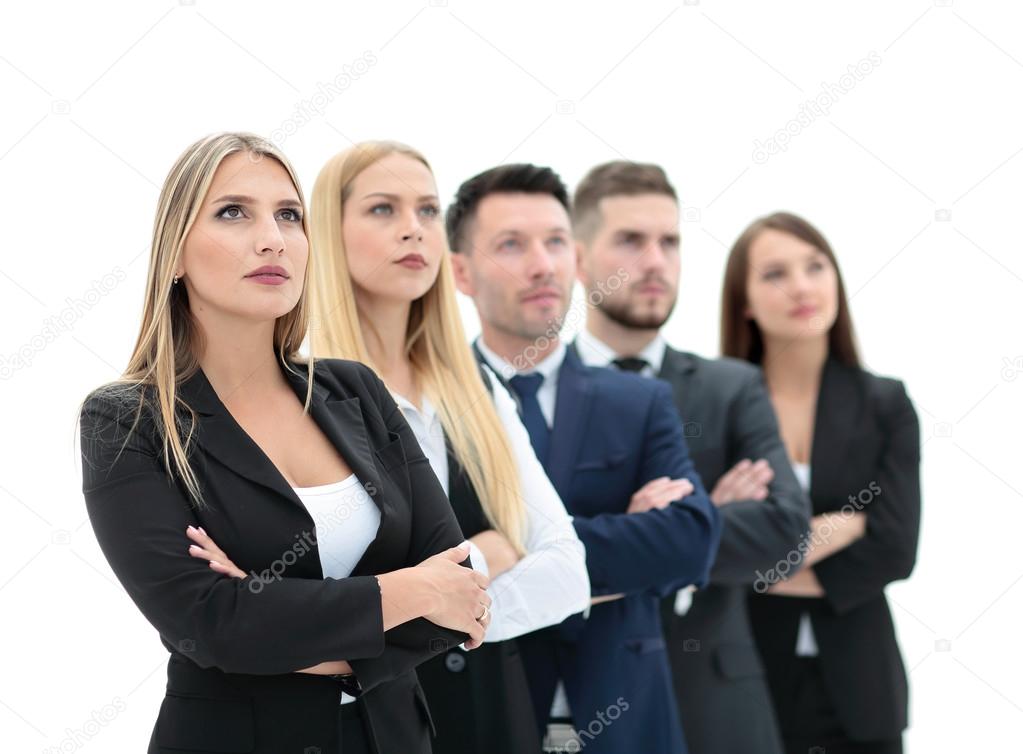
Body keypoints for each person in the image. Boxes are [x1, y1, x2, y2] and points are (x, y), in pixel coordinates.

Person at [79, 132, 490, 754]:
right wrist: (408, 592)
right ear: (175, 255)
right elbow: (211, 627)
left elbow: (460, 592)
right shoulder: (127, 420)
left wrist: (273, 619)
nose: (271, 237)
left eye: (289, 215)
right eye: (233, 212)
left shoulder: (354, 390)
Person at [447, 162, 722, 754]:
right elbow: (427, 569)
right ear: (462, 272)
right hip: (481, 716)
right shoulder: (424, 412)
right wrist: (626, 536)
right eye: (511, 245)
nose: (542, 264)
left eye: (554, 242)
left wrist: (509, 548)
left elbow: (691, 538)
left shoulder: (639, 400)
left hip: (628, 722)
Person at [571, 160, 810, 754]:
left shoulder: (732, 388)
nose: (656, 261)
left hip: (717, 708)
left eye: (670, 242)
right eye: (631, 240)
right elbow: (528, 544)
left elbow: (785, 528)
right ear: (576, 259)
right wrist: (696, 519)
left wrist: (640, 536)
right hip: (579, 702)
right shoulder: (532, 390)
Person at [724, 211, 921, 754]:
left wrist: (759, 564)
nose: (802, 286)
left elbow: (895, 550)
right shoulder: (718, 404)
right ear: (743, 301)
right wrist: (839, 529)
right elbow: (710, 551)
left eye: (815, 266)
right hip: (749, 680)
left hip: (863, 691)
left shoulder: (885, 404)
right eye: (775, 274)